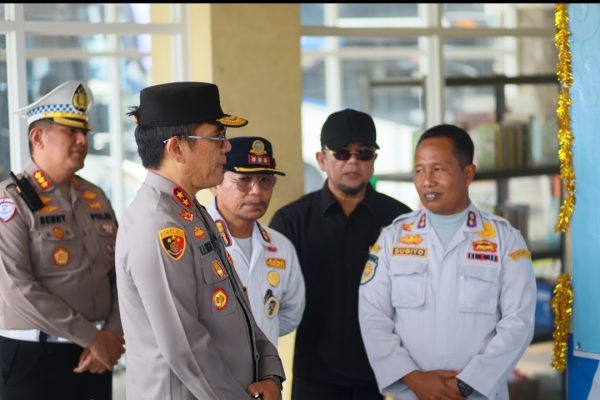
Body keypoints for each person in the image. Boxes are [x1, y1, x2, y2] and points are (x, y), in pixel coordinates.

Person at [116, 82, 285, 400]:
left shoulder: (190, 211)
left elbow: (238, 308)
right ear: (177, 149)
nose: (227, 148)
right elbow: (184, 347)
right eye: (218, 137)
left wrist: (270, 373)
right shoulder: (157, 224)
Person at [358, 124, 537, 400]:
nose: (427, 181)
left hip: (477, 395)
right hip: (412, 393)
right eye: (419, 170)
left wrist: (465, 384)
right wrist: (414, 379)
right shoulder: (393, 238)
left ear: (468, 174)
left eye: (438, 169)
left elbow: (519, 322)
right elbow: (373, 315)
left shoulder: (505, 240)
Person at [270, 108, 412, 399]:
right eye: (342, 152)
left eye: (364, 153)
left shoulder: (400, 220)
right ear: (322, 159)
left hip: (379, 373)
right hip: (315, 375)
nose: (353, 161)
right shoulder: (292, 221)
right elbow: (269, 299)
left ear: (374, 159)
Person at [0, 80, 124, 400]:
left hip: (97, 355)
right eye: (70, 131)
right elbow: (16, 287)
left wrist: (113, 333)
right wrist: (92, 337)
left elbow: (121, 273)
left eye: (84, 132)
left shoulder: (95, 197)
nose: (83, 140)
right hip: (35, 358)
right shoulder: (11, 201)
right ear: (37, 137)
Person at [208, 136, 305, 348]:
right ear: (215, 183)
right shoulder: (196, 239)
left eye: (265, 181)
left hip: (264, 366)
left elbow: (290, 314)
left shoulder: (280, 246)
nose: (257, 191)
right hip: (211, 366)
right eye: (244, 180)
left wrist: (261, 331)